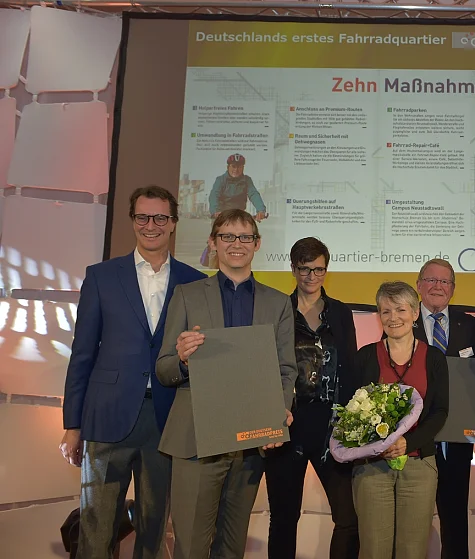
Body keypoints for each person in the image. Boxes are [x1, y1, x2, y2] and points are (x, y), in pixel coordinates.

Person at [60, 185, 206, 559]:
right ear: (132, 220)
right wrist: (72, 425)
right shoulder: (101, 277)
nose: (150, 225)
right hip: (106, 417)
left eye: (160, 217)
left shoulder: (194, 282)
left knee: (153, 530)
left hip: (166, 419)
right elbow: (82, 354)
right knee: (95, 530)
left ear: (173, 223)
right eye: (142, 217)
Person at [156, 209, 297, 559]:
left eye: (245, 237)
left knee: (232, 549)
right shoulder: (187, 295)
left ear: (257, 244)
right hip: (195, 440)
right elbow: (163, 368)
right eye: (227, 236)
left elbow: (285, 370)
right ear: (213, 242)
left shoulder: (278, 303)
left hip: (250, 444)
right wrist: (183, 360)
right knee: (190, 547)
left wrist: (278, 412)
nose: (237, 244)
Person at [263, 237, 360, 559]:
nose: (311, 276)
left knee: (348, 518)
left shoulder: (341, 312)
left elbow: (349, 366)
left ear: (326, 270)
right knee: (283, 517)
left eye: (318, 269)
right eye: (304, 269)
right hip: (287, 423)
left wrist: (350, 424)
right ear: (293, 269)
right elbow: (268, 366)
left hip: (331, 426)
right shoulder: (278, 310)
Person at [351, 281, 449, 559]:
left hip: (419, 464)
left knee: (413, 550)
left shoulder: (434, 358)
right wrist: (377, 444)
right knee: (373, 550)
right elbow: (352, 411)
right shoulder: (365, 356)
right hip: (372, 466)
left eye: (400, 310)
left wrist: (408, 442)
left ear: (415, 313)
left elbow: (440, 411)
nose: (393, 317)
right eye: (386, 311)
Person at [414, 258, 475, 559]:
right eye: (431, 280)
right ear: (419, 285)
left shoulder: (472, 326)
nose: (437, 286)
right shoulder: (402, 321)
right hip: (414, 437)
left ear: (453, 288)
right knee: (412, 516)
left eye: (444, 281)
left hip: (457, 436)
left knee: (454, 516)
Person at [209, 154, 267, 221]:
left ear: (243, 168)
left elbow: (254, 194)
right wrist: (215, 211)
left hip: (239, 215)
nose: (236, 170)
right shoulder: (220, 180)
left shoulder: (247, 180)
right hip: (222, 215)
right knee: (218, 227)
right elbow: (214, 195)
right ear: (228, 167)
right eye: (233, 166)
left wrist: (261, 210)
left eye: (239, 167)